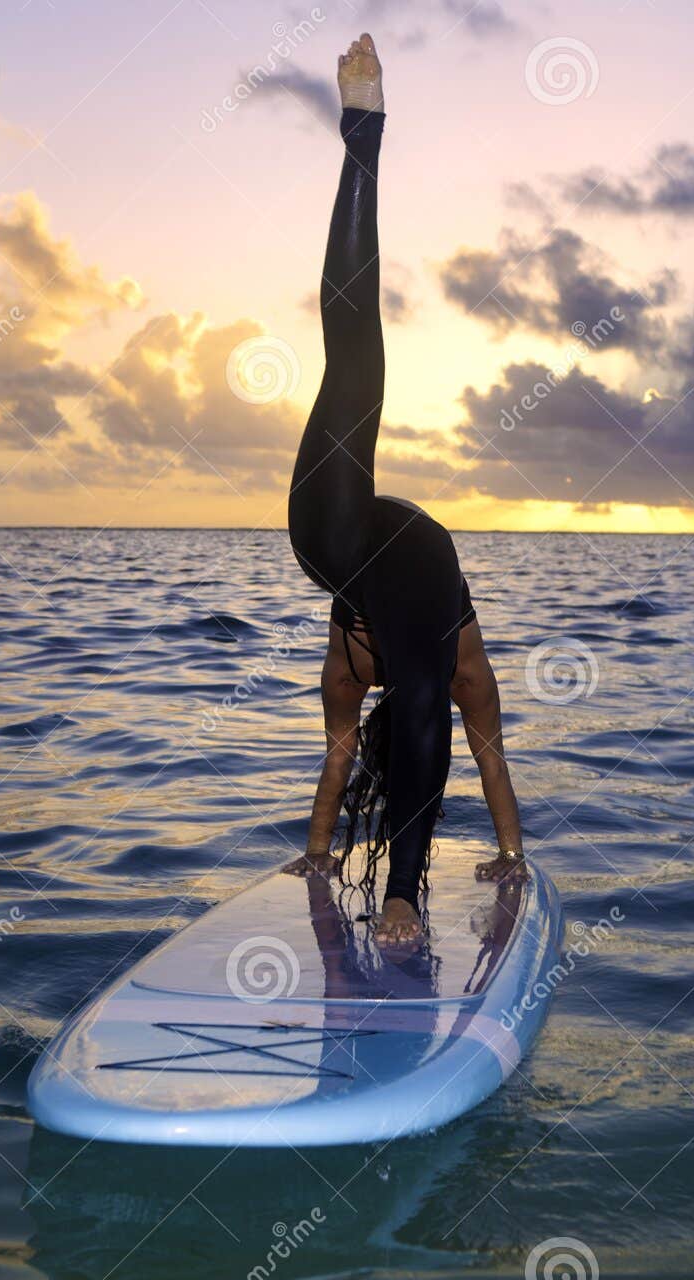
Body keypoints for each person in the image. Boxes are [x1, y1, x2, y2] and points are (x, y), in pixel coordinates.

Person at [286, 34, 525, 946]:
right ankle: (363, 128)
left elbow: (341, 760)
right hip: (356, 538)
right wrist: (509, 850)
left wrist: (317, 851)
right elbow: (487, 758)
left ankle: (403, 891)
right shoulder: (459, 664)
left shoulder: (351, 673)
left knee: (353, 362)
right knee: (355, 357)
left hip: (331, 543)